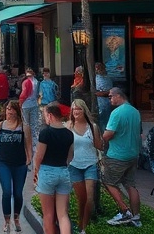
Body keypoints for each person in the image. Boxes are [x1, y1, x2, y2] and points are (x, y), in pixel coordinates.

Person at [102, 87, 142, 227]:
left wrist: (100, 138)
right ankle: (136, 217)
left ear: (119, 96)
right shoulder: (135, 111)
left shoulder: (116, 113)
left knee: (108, 182)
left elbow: (108, 134)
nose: (110, 99)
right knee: (131, 184)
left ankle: (126, 212)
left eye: (110, 96)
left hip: (117, 155)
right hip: (133, 154)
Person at [0, 100, 31, 233]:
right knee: (7, 192)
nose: (9, 112)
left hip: (20, 164)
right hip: (3, 163)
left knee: (18, 193)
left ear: (17, 111)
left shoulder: (24, 127)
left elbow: (28, 144)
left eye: (12, 109)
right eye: (7, 109)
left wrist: (29, 159)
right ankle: (6, 221)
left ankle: (16, 218)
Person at [33, 103, 74, 234]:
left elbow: (39, 156)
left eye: (45, 115)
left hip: (47, 172)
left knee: (48, 215)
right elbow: (70, 156)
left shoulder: (45, 133)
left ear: (50, 115)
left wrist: (36, 171)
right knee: (63, 215)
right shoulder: (69, 134)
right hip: (63, 171)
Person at [66, 99, 101, 234]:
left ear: (84, 110)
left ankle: (83, 228)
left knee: (90, 197)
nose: (76, 111)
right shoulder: (68, 126)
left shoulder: (93, 126)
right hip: (74, 165)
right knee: (82, 198)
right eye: (74, 109)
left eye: (79, 109)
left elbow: (99, 145)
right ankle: (80, 223)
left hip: (90, 164)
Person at [18, 68, 41, 156]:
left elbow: (24, 93)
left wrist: (20, 102)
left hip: (25, 105)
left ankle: (26, 141)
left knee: (26, 123)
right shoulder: (36, 82)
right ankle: (34, 142)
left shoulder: (26, 82)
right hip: (34, 104)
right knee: (34, 124)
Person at [94, 63, 113, 129]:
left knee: (106, 119)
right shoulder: (94, 78)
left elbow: (110, 91)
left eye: (100, 67)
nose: (98, 69)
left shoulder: (107, 77)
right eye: (97, 68)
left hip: (106, 102)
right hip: (98, 103)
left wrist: (102, 93)